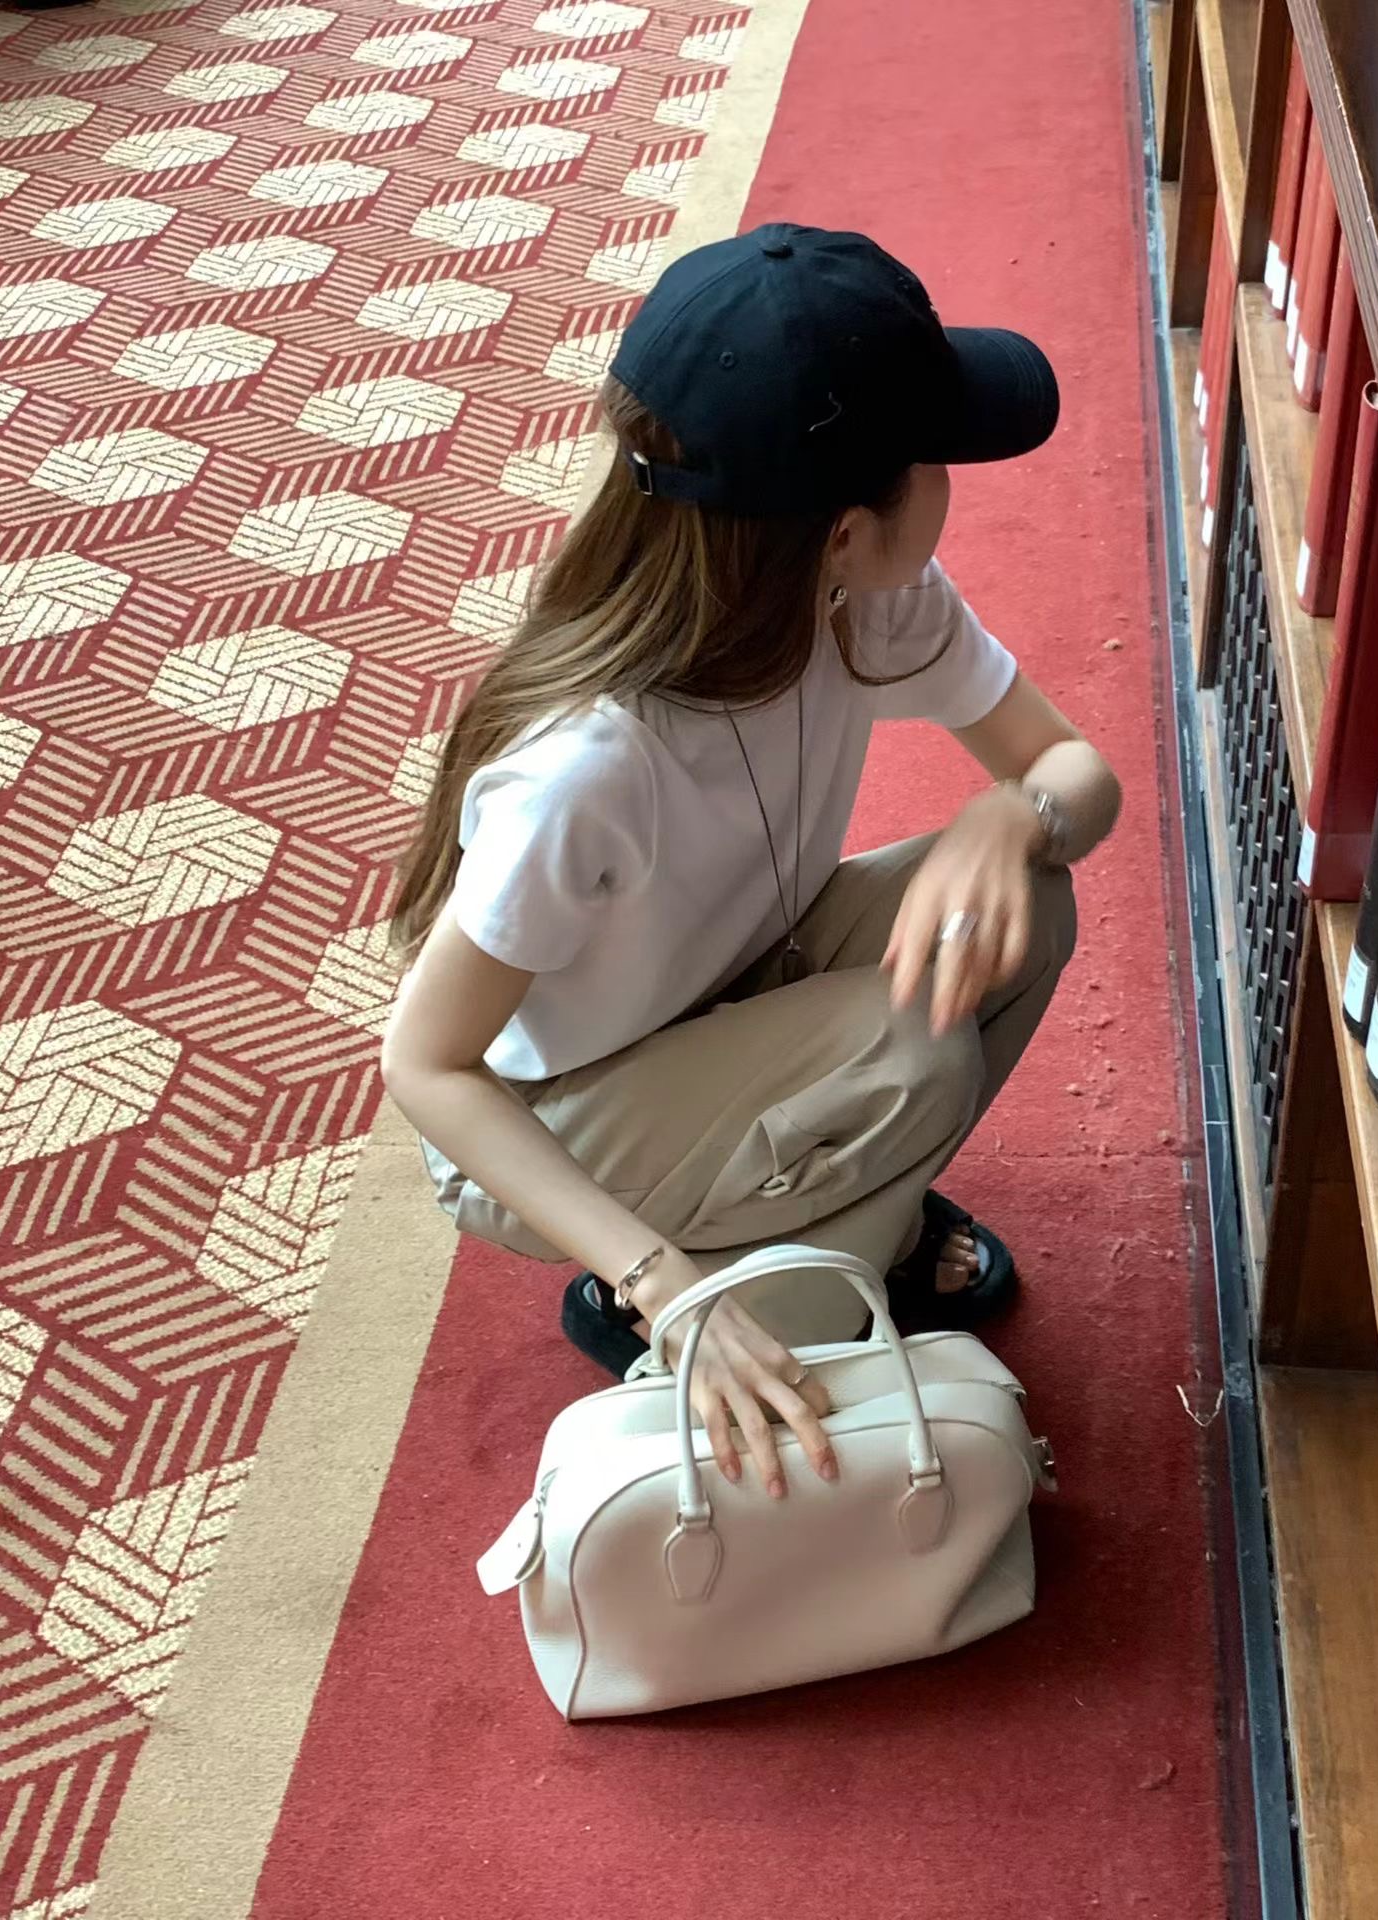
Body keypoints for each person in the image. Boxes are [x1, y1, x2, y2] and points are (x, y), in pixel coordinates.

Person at [382, 223, 1121, 1505]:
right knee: (915, 1048)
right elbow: (428, 1067)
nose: (947, 479)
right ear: (843, 529)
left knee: (1028, 901)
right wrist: (662, 1283)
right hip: (563, 1103)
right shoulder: (587, 769)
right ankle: (688, 1288)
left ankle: (812, 1236)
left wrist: (1008, 818)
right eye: (932, 457)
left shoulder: (864, 598)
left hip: (728, 975)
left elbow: (1074, 775)